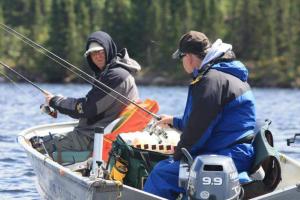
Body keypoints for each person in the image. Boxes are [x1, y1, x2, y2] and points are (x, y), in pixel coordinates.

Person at [143, 31, 256, 199]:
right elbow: (205, 120)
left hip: (228, 155)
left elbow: (197, 131)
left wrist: (178, 155)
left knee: (162, 173)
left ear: (188, 57)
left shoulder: (210, 81)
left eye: (181, 58)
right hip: (236, 151)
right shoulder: (223, 75)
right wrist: (174, 121)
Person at [42, 31, 140, 154]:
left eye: (100, 51)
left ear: (108, 49)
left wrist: (56, 101)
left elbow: (87, 108)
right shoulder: (112, 72)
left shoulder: (116, 76)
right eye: (93, 54)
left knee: (37, 144)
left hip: (97, 140)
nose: (97, 56)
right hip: (104, 136)